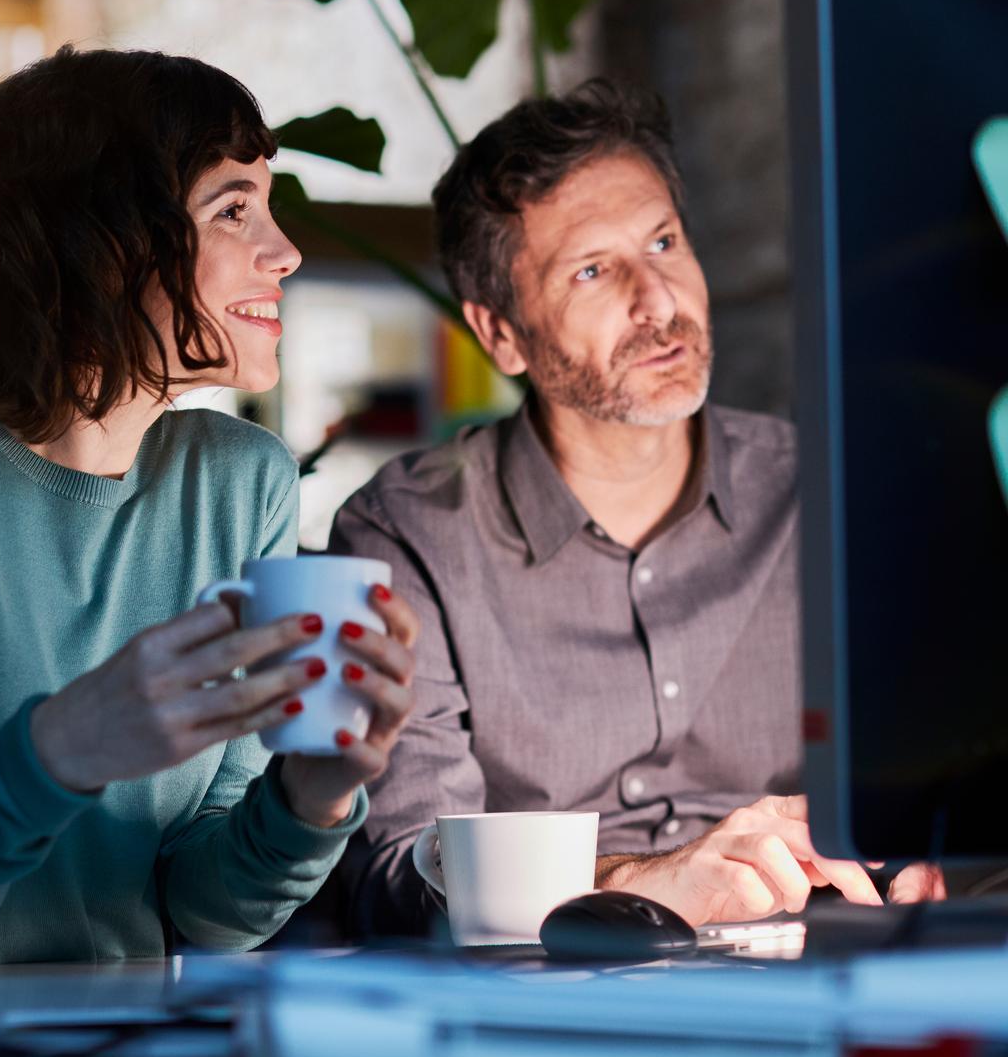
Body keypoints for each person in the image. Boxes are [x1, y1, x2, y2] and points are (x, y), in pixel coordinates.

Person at [0, 46, 418, 973]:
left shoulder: (242, 480)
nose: (286, 252)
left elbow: (210, 912)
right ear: (103, 243)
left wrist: (312, 799)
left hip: (106, 1036)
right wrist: (63, 748)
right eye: (233, 210)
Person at [329, 78, 941, 936]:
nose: (658, 301)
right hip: (549, 989)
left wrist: (930, 853)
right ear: (500, 333)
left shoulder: (832, 493)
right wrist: (653, 884)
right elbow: (399, 874)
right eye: (592, 270)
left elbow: (936, 781)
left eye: (663, 242)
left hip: (830, 965)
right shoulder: (408, 536)